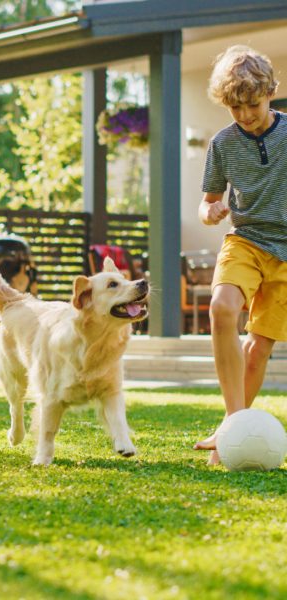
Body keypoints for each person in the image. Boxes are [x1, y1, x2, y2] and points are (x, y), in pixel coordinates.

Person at [194, 45, 287, 464]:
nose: (245, 115)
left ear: (270, 92)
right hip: (246, 241)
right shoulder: (223, 143)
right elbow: (208, 200)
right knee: (222, 307)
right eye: (235, 107)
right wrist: (211, 211)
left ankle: (226, 436)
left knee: (259, 348)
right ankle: (233, 425)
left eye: (251, 104)